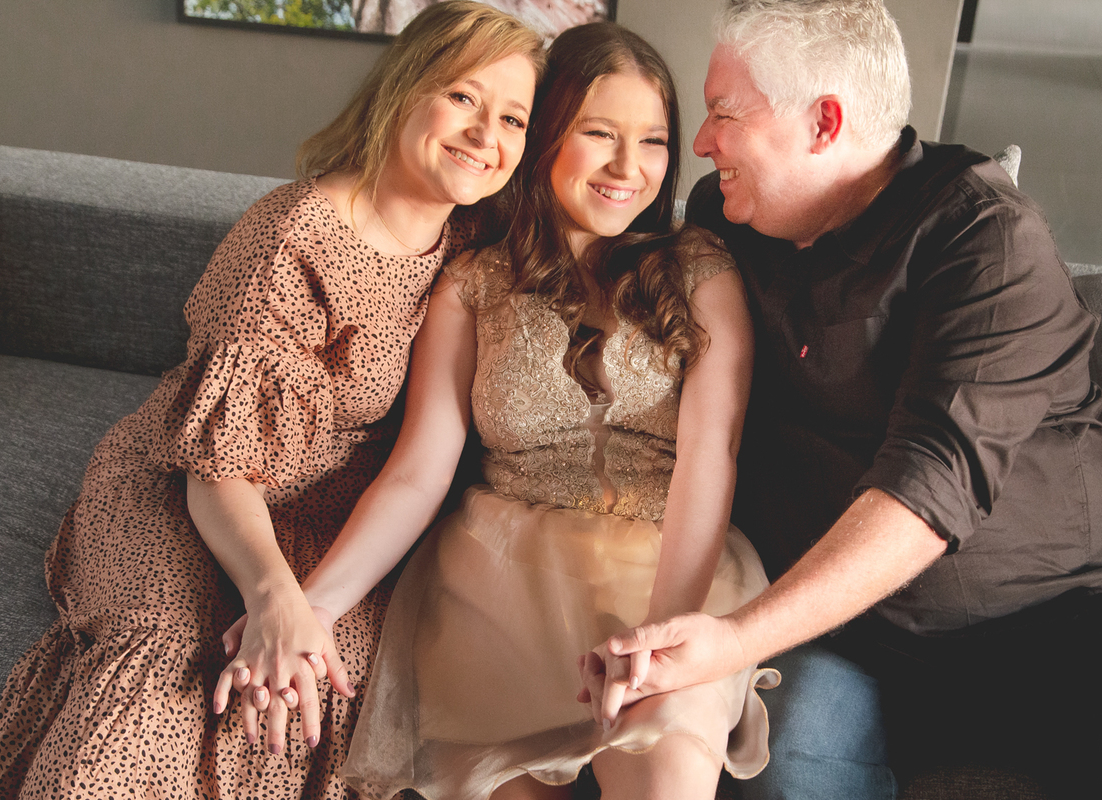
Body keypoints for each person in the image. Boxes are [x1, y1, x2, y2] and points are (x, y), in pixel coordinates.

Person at [578, 1, 1102, 798]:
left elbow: (932, 483)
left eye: (725, 113)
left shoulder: (986, 238)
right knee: (781, 764)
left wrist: (733, 638)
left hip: (1063, 626)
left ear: (824, 123)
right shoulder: (729, 222)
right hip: (846, 643)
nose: (702, 142)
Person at [0, 4, 543, 798]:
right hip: (197, 488)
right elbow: (218, 466)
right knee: (176, 665)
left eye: (513, 118)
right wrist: (274, 596)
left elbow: (424, 463)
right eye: (462, 97)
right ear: (403, 89)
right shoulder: (290, 238)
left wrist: (308, 611)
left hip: (333, 509)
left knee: (311, 683)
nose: (486, 134)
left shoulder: (472, 246)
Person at [219, 20, 778, 800]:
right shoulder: (472, 284)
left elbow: (709, 459)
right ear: (544, 138)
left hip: (670, 576)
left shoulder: (700, 271)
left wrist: (663, 639)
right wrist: (309, 609)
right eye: (599, 134)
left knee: (667, 780)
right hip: (497, 585)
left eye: (653, 141)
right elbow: (418, 473)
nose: (629, 167)